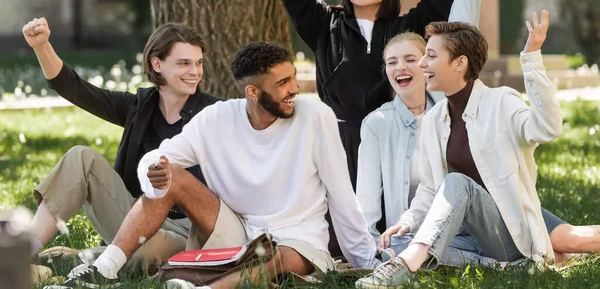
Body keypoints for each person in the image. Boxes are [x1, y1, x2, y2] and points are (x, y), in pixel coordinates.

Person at [48, 41, 378, 289]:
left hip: (297, 239)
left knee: (278, 257)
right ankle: (104, 267)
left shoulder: (315, 117)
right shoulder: (217, 119)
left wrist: (367, 261)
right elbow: (160, 156)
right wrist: (155, 171)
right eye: (281, 84)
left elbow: (341, 195)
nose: (293, 89)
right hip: (236, 230)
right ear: (252, 92)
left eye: (292, 78)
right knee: (170, 173)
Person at [263, 0, 488, 189]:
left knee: (384, 214)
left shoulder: (404, 28)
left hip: (391, 134)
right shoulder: (324, 22)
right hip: (337, 137)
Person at [355, 13, 567, 288]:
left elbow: (547, 128)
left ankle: (403, 267)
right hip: (468, 233)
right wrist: (407, 221)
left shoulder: (501, 102)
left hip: (508, 232)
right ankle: (505, 269)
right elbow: (431, 189)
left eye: (428, 56)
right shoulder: (435, 119)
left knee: (456, 184)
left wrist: (532, 61)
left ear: (459, 63)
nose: (421, 64)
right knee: (396, 243)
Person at [22, 19, 221, 272]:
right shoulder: (139, 107)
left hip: (187, 231)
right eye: (184, 63)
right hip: (137, 217)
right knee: (80, 157)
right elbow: (75, 89)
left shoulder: (215, 113)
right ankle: (23, 249)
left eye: (198, 63)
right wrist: (42, 46)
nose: (195, 71)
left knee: (152, 251)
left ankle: (73, 260)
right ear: (157, 64)